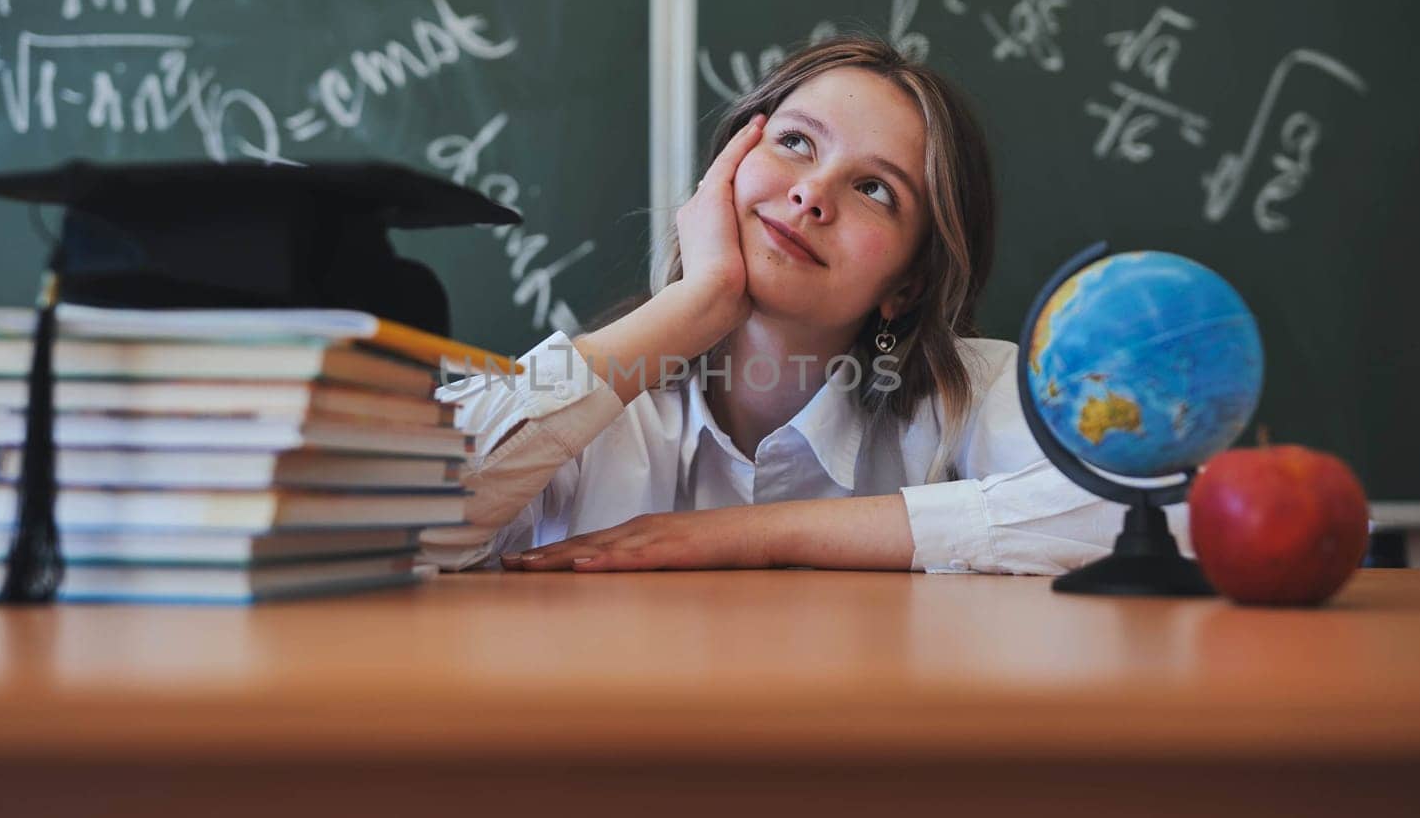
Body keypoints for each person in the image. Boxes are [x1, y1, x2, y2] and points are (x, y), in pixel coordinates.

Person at [430, 34, 1176, 574]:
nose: (812, 194)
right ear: (725, 173)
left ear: (908, 285)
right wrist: (697, 301)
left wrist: (754, 535)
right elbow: (401, 517)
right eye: (794, 142)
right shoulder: (600, 408)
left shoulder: (970, 394)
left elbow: (1161, 514)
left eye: (875, 189)